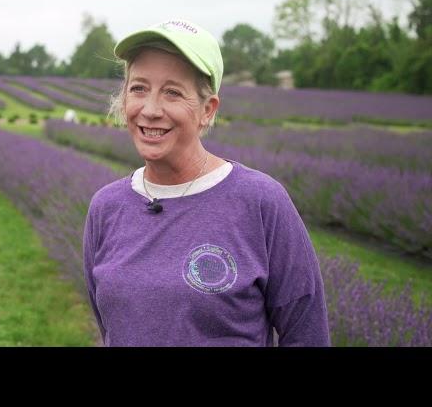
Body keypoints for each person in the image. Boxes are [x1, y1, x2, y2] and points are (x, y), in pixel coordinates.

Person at [82, 19, 330, 347]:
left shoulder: (260, 202)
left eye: (172, 92)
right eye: (139, 88)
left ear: (207, 110)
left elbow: (307, 334)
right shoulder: (106, 207)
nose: (151, 109)